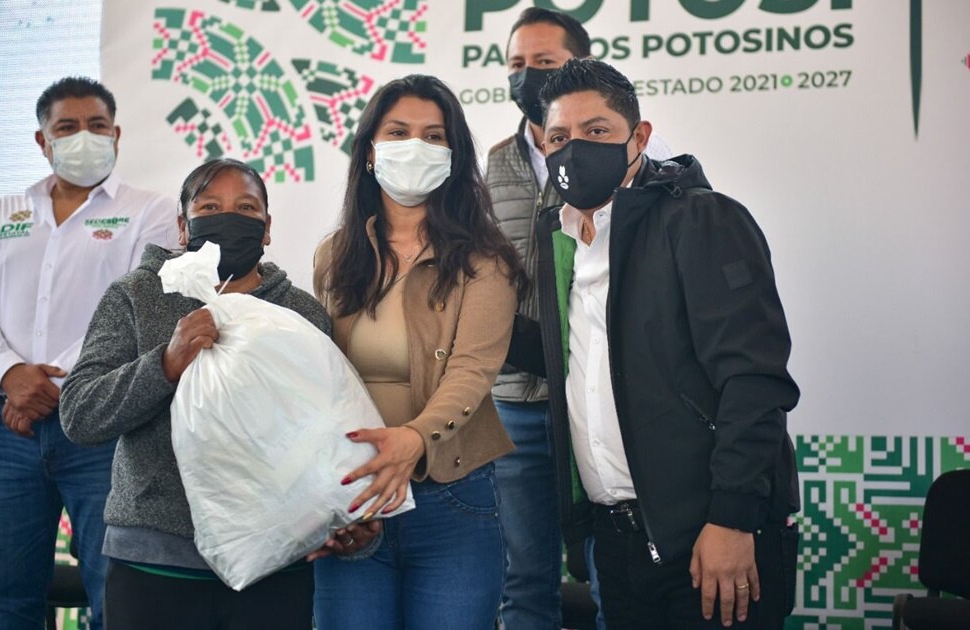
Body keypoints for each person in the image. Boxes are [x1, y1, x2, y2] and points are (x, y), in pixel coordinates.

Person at [521, 58, 801, 629]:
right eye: (559, 137)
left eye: (596, 131)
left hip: (708, 539)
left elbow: (754, 379)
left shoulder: (703, 219)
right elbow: (591, 363)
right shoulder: (560, 239)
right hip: (617, 544)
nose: (575, 149)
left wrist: (732, 518)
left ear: (639, 136)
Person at [58, 159, 365, 628]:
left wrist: (344, 516)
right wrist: (166, 363)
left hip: (273, 562)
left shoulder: (301, 312)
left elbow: (325, 428)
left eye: (246, 208)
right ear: (183, 226)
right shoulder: (137, 296)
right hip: (154, 561)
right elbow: (80, 414)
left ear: (266, 229)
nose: (229, 219)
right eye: (210, 207)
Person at [0, 76, 178, 629]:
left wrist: (49, 386)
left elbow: (138, 311)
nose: (84, 137)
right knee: (8, 595)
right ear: (41, 140)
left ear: (117, 133)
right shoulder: (5, 212)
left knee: (112, 593)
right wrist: (11, 377)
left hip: (103, 429)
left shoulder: (152, 211)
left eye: (97, 126)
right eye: (67, 127)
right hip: (13, 431)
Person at [311, 74, 526, 630]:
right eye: (399, 131)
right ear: (368, 152)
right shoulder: (334, 256)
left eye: (435, 136)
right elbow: (320, 374)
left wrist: (412, 439)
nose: (416, 146)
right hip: (353, 499)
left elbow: (473, 370)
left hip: (451, 498)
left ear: (454, 157)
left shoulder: (486, 259)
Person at [486, 8, 671, 629]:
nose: (528, 76)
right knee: (522, 575)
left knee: (609, 569)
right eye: (517, 65)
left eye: (544, 63)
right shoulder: (493, 163)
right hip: (515, 402)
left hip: (602, 398)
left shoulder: (636, 165)